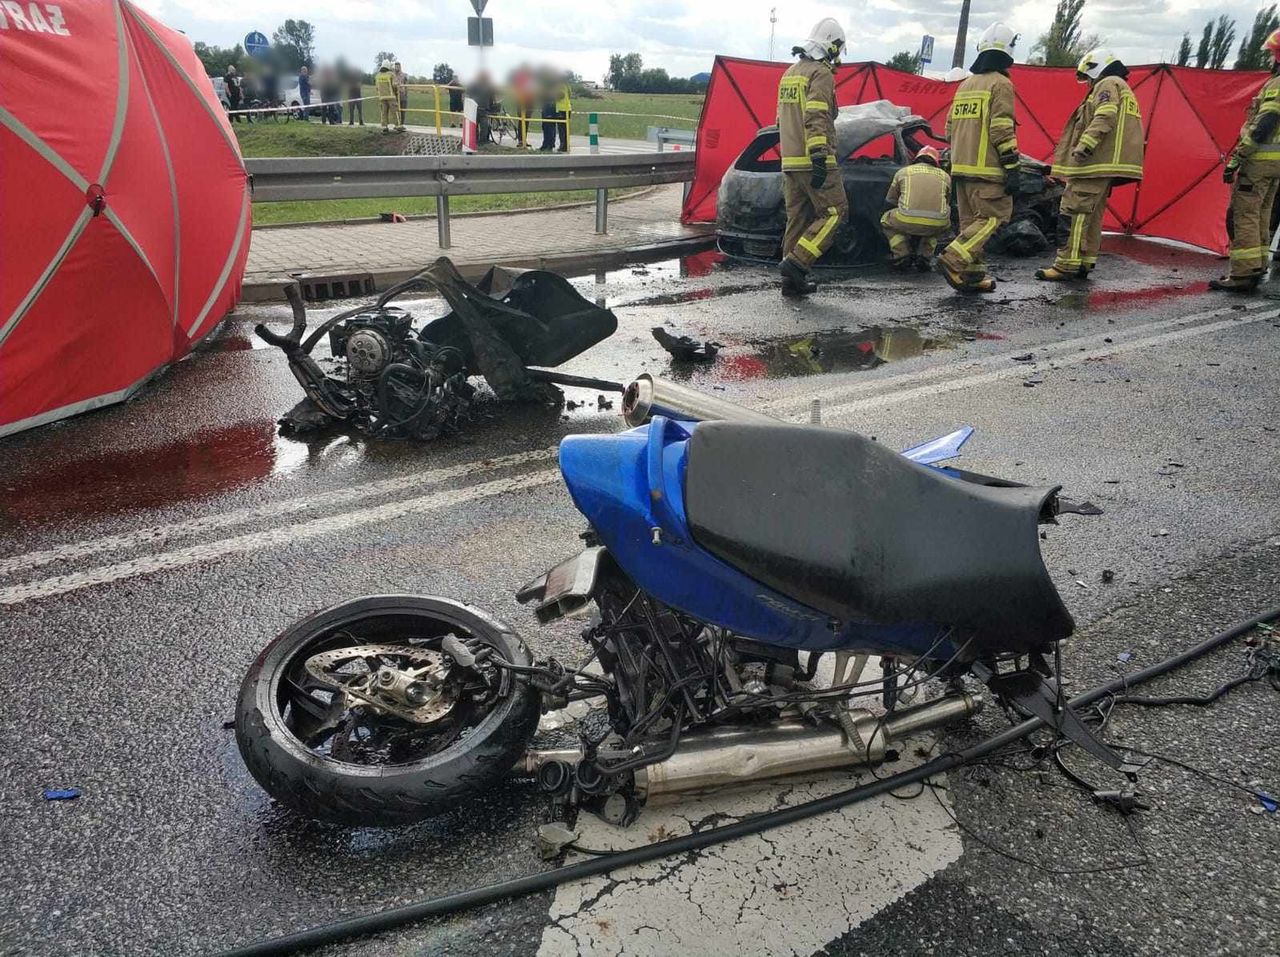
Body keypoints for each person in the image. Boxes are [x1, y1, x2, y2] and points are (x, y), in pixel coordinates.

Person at [1036, 50, 1144, 281]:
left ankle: (1066, 265)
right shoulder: (1121, 86)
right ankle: (1085, 260)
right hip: (1106, 164)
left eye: (1088, 77)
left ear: (1096, 69)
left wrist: (1084, 145)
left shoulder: (1107, 84)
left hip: (1094, 162)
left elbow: (1105, 115)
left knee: (1074, 211)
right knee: (1091, 214)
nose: (1088, 84)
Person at [937, 23, 1020, 293]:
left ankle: (972, 276)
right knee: (993, 218)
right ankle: (954, 258)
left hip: (961, 169)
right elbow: (1001, 129)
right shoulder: (1001, 84)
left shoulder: (964, 86)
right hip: (988, 171)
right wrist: (1012, 166)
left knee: (971, 225)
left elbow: (948, 129)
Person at [776, 18, 848, 297]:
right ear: (833, 46)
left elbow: (780, 119)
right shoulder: (821, 73)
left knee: (798, 219)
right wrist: (819, 156)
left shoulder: (790, 73)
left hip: (790, 161)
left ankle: (791, 283)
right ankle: (797, 263)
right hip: (813, 159)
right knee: (834, 213)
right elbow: (817, 113)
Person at [1212, 28, 1280, 291]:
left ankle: (1242, 273)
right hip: (1274, 167)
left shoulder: (1276, 85)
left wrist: (1238, 157)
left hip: (1259, 162)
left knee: (1244, 215)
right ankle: (1258, 264)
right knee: (1262, 213)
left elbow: (1265, 123)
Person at [880, 145, 951, 271]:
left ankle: (902, 254)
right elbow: (947, 202)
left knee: (886, 219)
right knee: (936, 226)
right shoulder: (945, 176)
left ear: (917, 158)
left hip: (906, 220)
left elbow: (890, 200)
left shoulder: (903, 172)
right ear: (936, 162)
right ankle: (925, 256)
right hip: (937, 222)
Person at [375, 59, 400, 132]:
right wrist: (398, 85)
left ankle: (384, 127)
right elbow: (394, 85)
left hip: (382, 97)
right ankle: (397, 126)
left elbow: (377, 87)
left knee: (384, 113)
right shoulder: (391, 74)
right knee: (394, 111)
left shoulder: (377, 76)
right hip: (391, 96)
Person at [394, 62, 409, 131]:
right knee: (396, 110)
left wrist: (406, 94)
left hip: (402, 95)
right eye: (395, 66)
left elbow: (406, 85)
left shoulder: (404, 75)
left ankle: (402, 124)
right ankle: (397, 124)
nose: (396, 68)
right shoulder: (392, 75)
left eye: (398, 66)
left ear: (400, 67)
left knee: (403, 110)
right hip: (395, 95)